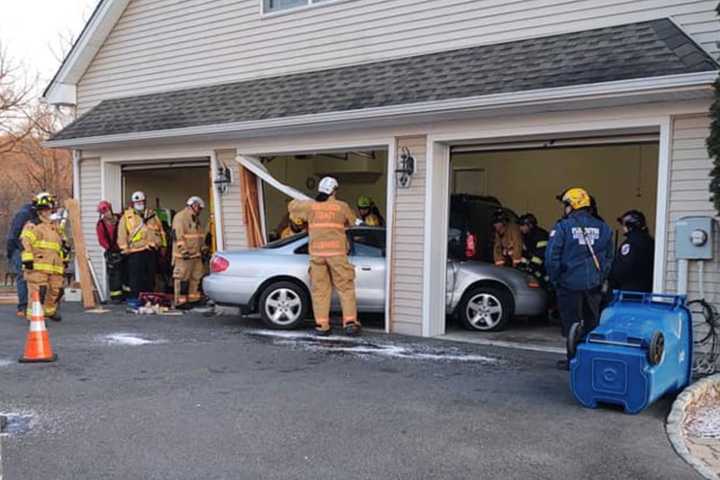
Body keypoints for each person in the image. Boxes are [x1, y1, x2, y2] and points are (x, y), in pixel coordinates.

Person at [546, 187, 613, 370]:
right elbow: (609, 258)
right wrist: (600, 277)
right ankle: (589, 360)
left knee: (571, 323)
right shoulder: (604, 227)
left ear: (572, 205)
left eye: (565, 204)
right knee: (592, 322)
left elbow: (552, 257)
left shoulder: (563, 227)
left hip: (569, 284)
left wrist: (555, 279)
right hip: (593, 285)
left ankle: (573, 360)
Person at [289, 177, 360, 336]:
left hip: (317, 256)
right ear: (334, 190)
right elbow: (353, 222)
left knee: (320, 291)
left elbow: (292, 207)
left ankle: (322, 325)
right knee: (345, 288)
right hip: (337, 255)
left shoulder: (310, 207)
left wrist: (304, 202)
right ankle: (349, 322)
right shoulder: (341, 207)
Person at [19, 193, 67, 321]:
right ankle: (35, 317)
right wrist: (28, 260)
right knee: (39, 292)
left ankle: (48, 312)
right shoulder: (33, 225)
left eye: (48, 209)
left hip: (55, 267)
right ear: (39, 211)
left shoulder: (55, 226)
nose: (46, 212)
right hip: (37, 266)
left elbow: (60, 245)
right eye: (43, 209)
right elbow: (25, 242)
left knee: (56, 290)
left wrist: (65, 258)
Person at [118, 191, 166, 300]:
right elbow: (122, 235)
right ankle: (136, 300)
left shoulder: (152, 215)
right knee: (136, 279)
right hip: (135, 253)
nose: (140, 203)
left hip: (151, 251)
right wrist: (125, 250)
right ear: (133, 203)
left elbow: (161, 231)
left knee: (150, 278)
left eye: (142, 201)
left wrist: (163, 247)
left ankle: (148, 300)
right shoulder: (127, 217)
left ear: (145, 201)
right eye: (137, 201)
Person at [171, 196, 207, 308]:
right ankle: (180, 301)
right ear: (193, 205)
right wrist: (184, 251)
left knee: (195, 277)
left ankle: (193, 299)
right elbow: (178, 236)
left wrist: (204, 248)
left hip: (195, 255)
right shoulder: (180, 217)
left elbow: (199, 236)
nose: (200, 211)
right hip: (184, 256)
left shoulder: (195, 219)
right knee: (182, 279)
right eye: (199, 208)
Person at [609, 210, 654, 293]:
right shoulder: (651, 242)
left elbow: (621, 269)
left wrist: (612, 282)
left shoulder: (630, 243)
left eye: (623, 225)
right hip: (648, 290)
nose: (623, 228)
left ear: (629, 226)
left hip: (629, 291)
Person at [6, 200, 37, 317]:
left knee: (30, 277)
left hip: (26, 249)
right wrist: (13, 251)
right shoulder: (24, 214)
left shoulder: (33, 214)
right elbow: (14, 235)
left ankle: (31, 305)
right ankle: (23, 307)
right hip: (18, 250)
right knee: (23, 277)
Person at [96, 200, 126, 304]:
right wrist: (110, 249)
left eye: (107, 211)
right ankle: (116, 297)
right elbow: (101, 239)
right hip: (111, 252)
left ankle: (126, 295)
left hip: (123, 249)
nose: (106, 214)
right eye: (104, 212)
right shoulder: (101, 225)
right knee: (114, 276)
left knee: (126, 273)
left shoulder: (121, 219)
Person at [517, 213, 549, 284]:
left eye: (523, 225)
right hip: (536, 266)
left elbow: (540, 254)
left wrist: (531, 267)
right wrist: (521, 265)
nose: (520, 228)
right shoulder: (526, 236)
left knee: (546, 282)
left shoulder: (541, 236)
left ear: (530, 225)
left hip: (545, 267)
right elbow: (526, 253)